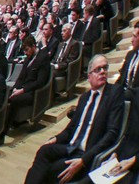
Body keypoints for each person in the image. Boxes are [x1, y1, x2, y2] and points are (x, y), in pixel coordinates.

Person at [24, 55, 124, 183]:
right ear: (89, 76)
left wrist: (84, 160)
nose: (103, 71)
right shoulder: (84, 98)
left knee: (51, 170)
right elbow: (71, 128)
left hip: (87, 152)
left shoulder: (115, 92)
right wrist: (56, 138)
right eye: (98, 69)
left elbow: (112, 133)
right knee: (44, 151)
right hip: (71, 147)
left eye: (105, 68)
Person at [4, 36, 51, 133]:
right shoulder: (28, 58)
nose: (25, 53)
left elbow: (40, 82)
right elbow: (20, 77)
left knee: (13, 99)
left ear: (33, 46)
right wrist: (15, 88)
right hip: (22, 89)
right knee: (5, 94)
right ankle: (1, 124)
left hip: (33, 92)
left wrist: (22, 90)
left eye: (27, 50)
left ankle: (5, 128)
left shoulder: (43, 57)